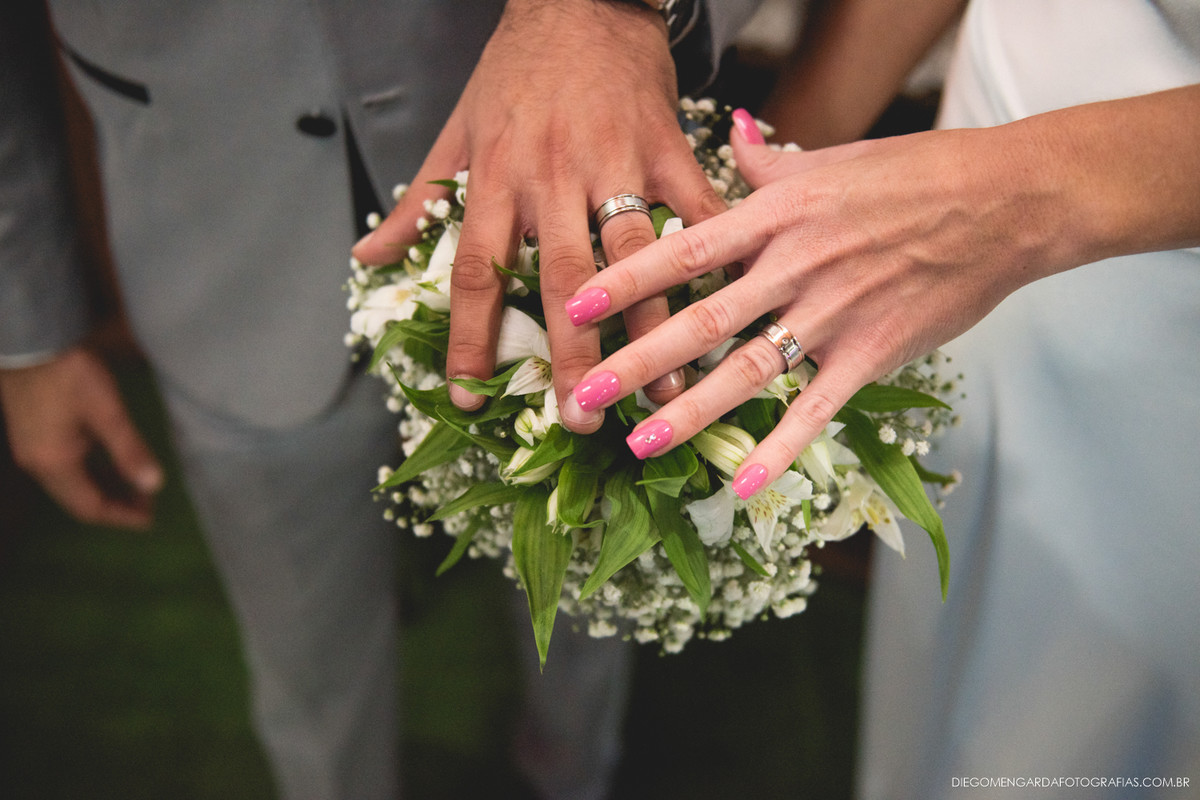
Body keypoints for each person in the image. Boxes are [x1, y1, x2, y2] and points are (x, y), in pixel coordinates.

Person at [0, 2, 761, 798]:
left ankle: (573, 771)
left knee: (593, 592)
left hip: (563, 195)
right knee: (308, 661)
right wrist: (23, 332)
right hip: (219, 232)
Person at [557, 0, 1200, 795]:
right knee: (957, 631)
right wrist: (774, 172)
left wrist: (1010, 199)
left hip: (1138, 239)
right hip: (993, 118)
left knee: (1094, 700)